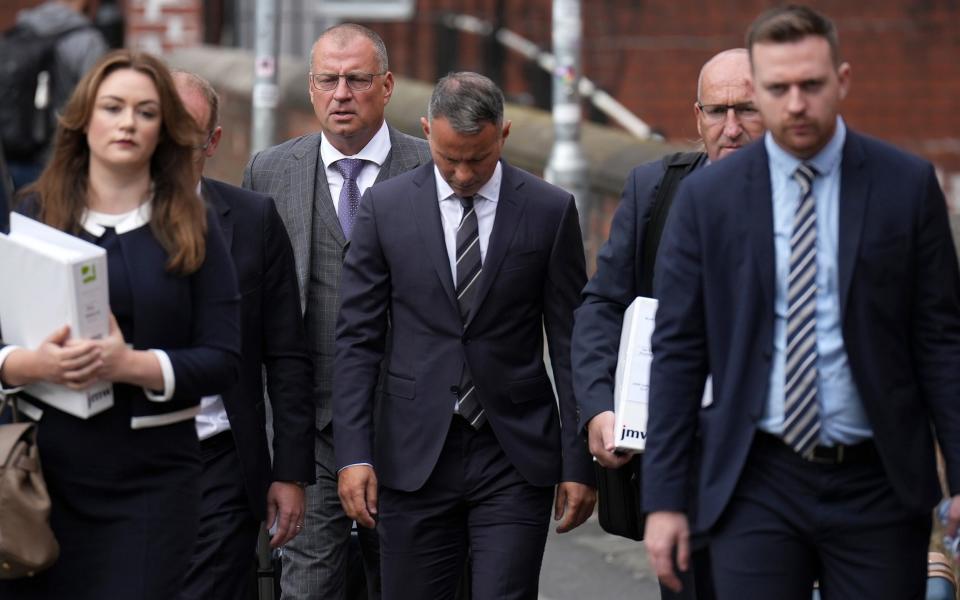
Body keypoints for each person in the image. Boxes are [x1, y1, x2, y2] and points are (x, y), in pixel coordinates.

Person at [642, 5, 960, 599]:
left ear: (841, 81)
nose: (795, 104)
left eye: (811, 85)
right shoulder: (710, 200)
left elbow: (940, 340)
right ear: (759, 89)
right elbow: (680, 352)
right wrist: (663, 499)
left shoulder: (906, 187)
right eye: (778, 88)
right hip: (754, 478)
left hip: (879, 481)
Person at [334, 72, 596, 600]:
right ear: (427, 130)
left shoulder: (549, 211)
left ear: (504, 134)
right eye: (448, 157)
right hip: (412, 454)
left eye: (477, 159)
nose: (461, 172)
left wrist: (577, 461)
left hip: (513, 453)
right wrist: (354, 454)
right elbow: (357, 341)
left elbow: (571, 344)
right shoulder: (386, 209)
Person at [0, 49, 241, 599]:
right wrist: (33, 363)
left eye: (146, 112)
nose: (128, 122)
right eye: (113, 107)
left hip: (151, 483)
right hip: (39, 479)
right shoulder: (34, 212)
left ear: (165, 130)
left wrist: (129, 364)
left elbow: (224, 358)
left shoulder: (193, 225)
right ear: (84, 119)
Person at [242, 23, 431, 600]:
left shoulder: (431, 168)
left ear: (388, 85)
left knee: (411, 583)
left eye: (357, 79)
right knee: (308, 588)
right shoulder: (270, 171)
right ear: (311, 85)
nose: (341, 93)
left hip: (410, 430)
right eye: (328, 79)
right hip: (310, 431)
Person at [571, 48, 763, 600]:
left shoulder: (808, 199)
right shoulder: (655, 190)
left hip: (777, 460)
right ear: (695, 116)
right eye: (716, 111)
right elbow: (602, 305)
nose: (731, 129)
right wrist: (600, 407)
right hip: (678, 459)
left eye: (746, 110)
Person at [172, 70, 315, 600]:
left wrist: (290, 474)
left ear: (212, 141)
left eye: (184, 132)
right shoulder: (88, 218)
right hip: (121, 457)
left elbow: (286, 354)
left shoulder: (252, 219)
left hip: (219, 459)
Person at [8, 0, 107, 188]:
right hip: (63, 160)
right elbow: (98, 101)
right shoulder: (88, 41)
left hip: (15, 157)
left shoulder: (22, 28)